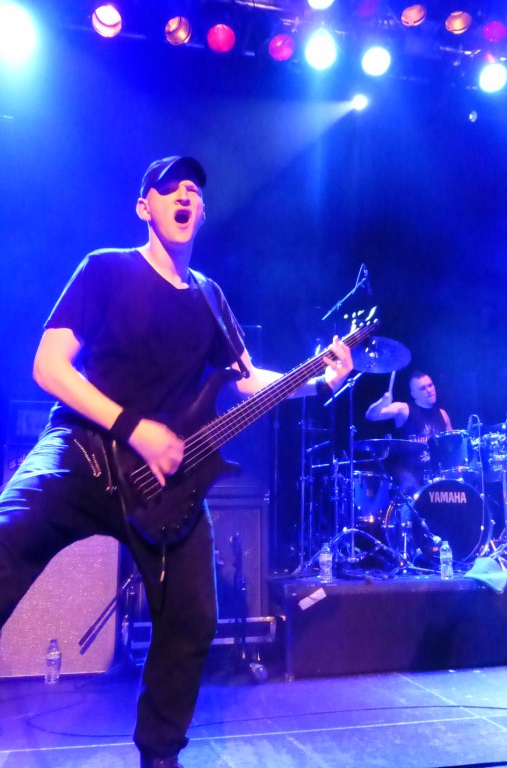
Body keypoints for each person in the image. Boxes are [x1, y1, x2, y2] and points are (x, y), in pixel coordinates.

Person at [0, 155, 354, 768]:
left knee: (193, 618)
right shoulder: (106, 269)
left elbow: (248, 382)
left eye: (193, 189)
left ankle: (160, 756)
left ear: (203, 212)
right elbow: (48, 366)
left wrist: (318, 377)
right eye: (170, 189)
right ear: (145, 207)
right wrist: (134, 429)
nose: (185, 195)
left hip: (166, 481)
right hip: (83, 449)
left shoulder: (211, 298)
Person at [364, 370, 452, 487]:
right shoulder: (404, 410)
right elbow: (371, 416)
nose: (429, 390)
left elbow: (453, 448)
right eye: (423, 388)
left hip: (438, 477)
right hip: (409, 479)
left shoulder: (443, 414)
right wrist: (382, 402)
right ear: (413, 394)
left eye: (430, 385)